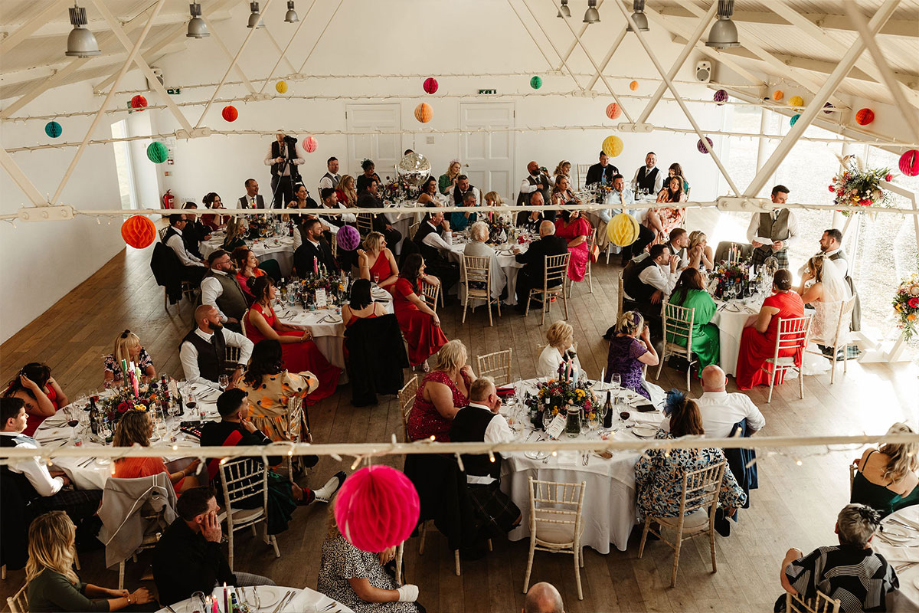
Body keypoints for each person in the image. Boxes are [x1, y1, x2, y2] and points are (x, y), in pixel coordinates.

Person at [200, 389, 345, 525]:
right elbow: (275, 459)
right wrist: (257, 431)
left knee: (278, 480)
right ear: (239, 415)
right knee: (289, 487)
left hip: (219, 492)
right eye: (246, 404)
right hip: (245, 495)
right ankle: (319, 495)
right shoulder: (247, 439)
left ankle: (315, 495)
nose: (249, 405)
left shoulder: (208, 429)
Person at [152, 486, 276, 606]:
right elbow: (204, 588)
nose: (218, 508)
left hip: (209, 577)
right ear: (199, 518)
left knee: (268, 584)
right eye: (213, 508)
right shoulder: (174, 549)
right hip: (189, 600)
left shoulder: (200, 527)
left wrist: (235, 591)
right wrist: (214, 543)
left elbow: (221, 569)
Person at [635, 397, 746, 521]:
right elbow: (729, 480)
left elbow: (640, 474)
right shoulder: (712, 450)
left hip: (659, 507)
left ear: (673, 420)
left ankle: (648, 525)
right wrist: (735, 503)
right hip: (693, 505)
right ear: (698, 420)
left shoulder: (661, 445)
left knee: (641, 486)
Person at [1, 398, 104, 529]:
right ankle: (90, 536)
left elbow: (15, 475)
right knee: (101, 496)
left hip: (8, 508)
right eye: (23, 414)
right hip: (34, 508)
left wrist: (49, 474)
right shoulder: (23, 449)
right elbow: (48, 490)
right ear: (10, 421)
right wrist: (61, 480)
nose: (27, 416)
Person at [775, 504, 898, 612]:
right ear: (871, 538)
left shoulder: (825, 556)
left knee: (783, 601)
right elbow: (892, 596)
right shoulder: (882, 565)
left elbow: (789, 585)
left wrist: (792, 555)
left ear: (836, 528)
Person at [26, 511, 157, 612]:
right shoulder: (50, 580)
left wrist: (109, 592)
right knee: (146, 607)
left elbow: (78, 587)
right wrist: (132, 598)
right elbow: (90, 610)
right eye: (69, 527)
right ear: (59, 542)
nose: (75, 527)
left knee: (147, 604)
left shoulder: (51, 563)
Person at [244, 278, 340, 402]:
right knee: (305, 347)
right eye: (272, 286)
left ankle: (321, 375)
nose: (275, 289)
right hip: (266, 348)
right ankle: (305, 385)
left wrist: (300, 331)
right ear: (264, 290)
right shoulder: (255, 314)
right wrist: (300, 339)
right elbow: (276, 338)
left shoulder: (266, 303)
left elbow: (279, 326)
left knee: (308, 340)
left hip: (273, 339)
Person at [318, 500, 422, 613]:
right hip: (350, 601)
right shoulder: (346, 547)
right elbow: (365, 593)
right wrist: (402, 594)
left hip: (371, 579)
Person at [450, 377, 522, 536]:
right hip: (480, 485)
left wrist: (493, 414)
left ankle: (470, 522)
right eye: (495, 394)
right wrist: (497, 418)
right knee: (516, 518)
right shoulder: (495, 422)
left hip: (456, 479)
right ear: (491, 398)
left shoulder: (460, 413)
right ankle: (473, 532)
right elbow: (509, 453)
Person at [237, 339, 322, 440]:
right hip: (277, 434)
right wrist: (293, 375)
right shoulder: (284, 381)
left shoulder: (243, 378)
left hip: (249, 433)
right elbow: (313, 381)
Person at [735, 269, 805, 390]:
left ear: (774, 283)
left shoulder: (771, 301)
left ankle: (748, 377)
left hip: (776, 348)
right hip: (794, 347)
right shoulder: (798, 298)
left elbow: (761, 329)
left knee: (748, 333)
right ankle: (769, 377)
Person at [112, 410, 200, 493]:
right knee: (193, 481)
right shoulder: (149, 457)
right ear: (141, 430)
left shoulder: (119, 451)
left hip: (129, 497)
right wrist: (188, 470)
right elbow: (167, 481)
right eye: (150, 424)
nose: (153, 426)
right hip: (149, 501)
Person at [406, 340, 474, 442]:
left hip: (456, 422)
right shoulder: (437, 382)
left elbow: (479, 393)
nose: (467, 359)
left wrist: (473, 379)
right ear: (456, 362)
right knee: (475, 437)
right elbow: (448, 413)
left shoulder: (461, 372)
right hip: (430, 431)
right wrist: (475, 413)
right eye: (464, 357)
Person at [391, 254, 448, 369]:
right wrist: (434, 313)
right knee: (428, 319)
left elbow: (437, 282)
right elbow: (417, 302)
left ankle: (425, 357)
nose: (425, 266)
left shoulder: (417, 276)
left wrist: (423, 276)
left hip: (414, 308)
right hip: (404, 312)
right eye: (422, 265)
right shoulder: (403, 282)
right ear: (414, 267)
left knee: (426, 323)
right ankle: (443, 347)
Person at [851, 422, 919, 517]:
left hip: (852, 512)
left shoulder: (869, 453)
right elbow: (903, 497)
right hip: (879, 523)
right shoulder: (911, 479)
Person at [179, 305, 253, 387]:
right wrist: (221, 387)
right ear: (206, 321)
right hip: (204, 391)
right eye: (216, 316)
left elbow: (247, 343)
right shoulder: (188, 346)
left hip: (225, 382)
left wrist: (240, 366)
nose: (220, 318)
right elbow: (193, 380)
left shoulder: (220, 331)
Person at [667, 268, 720, 371]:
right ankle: (707, 369)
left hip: (671, 334)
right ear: (698, 280)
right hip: (688, 338)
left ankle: (698, 360)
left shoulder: (677, 291)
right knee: (714, 331)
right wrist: (704, 288)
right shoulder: (701, 295)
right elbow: (709, 315)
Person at [692, 365, 766, 438]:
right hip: (731, 447)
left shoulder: (691, 407)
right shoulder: (741, 400)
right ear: (726, 381)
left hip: (700, 448)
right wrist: (745, 434)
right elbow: (759, 423)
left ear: (701, 382)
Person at [622, 244, 679, 336]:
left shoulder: (652, 261)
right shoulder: (651, 269)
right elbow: (669, 290)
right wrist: (673, 269)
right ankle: (654, 337)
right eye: (668, 255)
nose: (670, 257)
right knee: (666, 311)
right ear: (659, 258)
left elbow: (665, 279)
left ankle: (655, 335)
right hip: (633, 303)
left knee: (665, 306)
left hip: (640, 296)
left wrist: (659, 290)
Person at [598, 174, 655, 263]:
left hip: (630, 220)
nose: (621, 186)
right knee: (629, 232)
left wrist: (631, 220)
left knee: (650, 235)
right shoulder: (610, 197)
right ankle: (626, 259)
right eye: (617, 183)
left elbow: (633, 209)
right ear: (613, 184)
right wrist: (613, 222)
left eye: (622, 183)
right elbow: (602, 213)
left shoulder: (629, 193)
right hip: (618, 223)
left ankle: (634, 249)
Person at [797, 254, 851, 345]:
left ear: (815, 270)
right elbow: (808, 292)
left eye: (810, 269)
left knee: (790, 322)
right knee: (806, 314)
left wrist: (802, 281)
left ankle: (793, 350)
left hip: (824, 329)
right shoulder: (837, 284)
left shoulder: (818, 287)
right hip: (838, 328)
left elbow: (797, 302)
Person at [513, 220, 568, 309]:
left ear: (541, 231)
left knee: (521, 273)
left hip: (540, 281)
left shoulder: (536, 245)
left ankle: (523, 306)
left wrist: (517, 253)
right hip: (556, 279)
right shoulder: (563, 242)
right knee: (533, 269)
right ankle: (537, 300)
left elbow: (522, 260)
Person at [605, 310, 659, 399]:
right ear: (636, 329)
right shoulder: (633, 345)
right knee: (658, 396)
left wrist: (639, 343)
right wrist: (647, 340)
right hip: (628, 389)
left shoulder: (615, 336)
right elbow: (655, 361)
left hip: (610, 381)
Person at [3, 363, 67, 437]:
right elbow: (50, 411)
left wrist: (65, 416)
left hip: (58, 421)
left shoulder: (46, 379)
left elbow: (62, 398)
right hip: (39, 431)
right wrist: (35, 388)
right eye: (44, 380)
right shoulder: (19, 395)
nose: (47, 381)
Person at [817, 228, 860, 331]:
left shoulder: (840, 262)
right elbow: (800, 271)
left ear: (832, 241)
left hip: (829, 306)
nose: (820, 241)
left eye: (823, 239)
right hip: (820, 297)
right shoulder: (821, 254)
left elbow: (829, 286)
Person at [747, 185, 798, 269]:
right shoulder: (759, 213)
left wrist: (784, 243)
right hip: (760, 254)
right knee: (754, 281)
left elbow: (796, 236)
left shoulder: (790, 215)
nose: (784, 203)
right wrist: (753, 241)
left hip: (780, 256)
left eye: (785, 199)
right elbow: (750, 233)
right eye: (781, 199)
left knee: (782, 281)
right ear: (772, 197)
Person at [413, 210, 460, 294]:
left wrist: (445, 231)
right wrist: (447, 230)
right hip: (428, 265)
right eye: (441, 216)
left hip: (424, 259)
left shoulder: (426, 225)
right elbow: (448, 247)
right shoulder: (431, 234)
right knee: (456, 271)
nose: (443, 219)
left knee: (450, 262)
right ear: (434, 218)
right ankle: (441, 293)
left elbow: (440, 241)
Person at [201, 249, 248, 333]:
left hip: (243, 319)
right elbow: (208, 304)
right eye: (228, 261)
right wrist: (226, 319)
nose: (231, 263)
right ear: (218, 266)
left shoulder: (224, 272)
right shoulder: (211, 281)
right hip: (233, 328)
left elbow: (230, 274)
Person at [356, 178, 403, 247]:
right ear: (368, 188)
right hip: (373, 228)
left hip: (366, 226)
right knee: (397, 235)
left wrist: (379, 199)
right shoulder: (369, 199)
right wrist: (384, 226)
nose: (376, 187)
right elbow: (377, 213)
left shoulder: (362, 195)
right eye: (374, 186)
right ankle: (383, 250)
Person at [463, 221, 503, 301]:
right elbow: (496, 272)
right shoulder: (489, 251)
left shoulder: (467, 246)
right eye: (486, 231)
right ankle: (496, 302)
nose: (488, 232)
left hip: (469, 281)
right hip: (483, 284)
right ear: (481, 237)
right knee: (504, 278)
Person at [163, 214, 207, 286]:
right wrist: (202, 265)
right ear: (178, 222)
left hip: (179, 265)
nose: (186, 223)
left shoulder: (174, 231)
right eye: (185, 220)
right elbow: (185, 262)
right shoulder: (176, 238)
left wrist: (199, 260)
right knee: (208, 272)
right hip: (178, 270)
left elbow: (186, 251)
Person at [265, 130, 305, 209]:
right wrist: (275, 160)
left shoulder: (292, 145)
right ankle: (277, 219)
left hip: (289, 177)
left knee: (289, 200)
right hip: (277, 177)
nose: (282, 143)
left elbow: (302, 160)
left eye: (283, 141)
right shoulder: (273, 146)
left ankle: (287, 219)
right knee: (277, 201)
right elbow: (266, 161)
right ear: (276, 139)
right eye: (280, 141)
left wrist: (291, 161)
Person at [646, 175, 687, 244]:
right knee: (651, 216)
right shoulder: (664, 191)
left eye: (677, 184)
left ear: (680, 186)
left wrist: (663, 217)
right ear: (670, 183)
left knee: (653, 226)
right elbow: (657, 205)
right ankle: (662, 234)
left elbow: (678, 212)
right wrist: (659, 215)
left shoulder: (681, 196)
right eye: (673, 183)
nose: (675, 185)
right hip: (659, 216)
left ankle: (652, 249)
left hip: (672, 219)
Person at [554, 208, 591, 283]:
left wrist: (566, 246)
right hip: (562, 245)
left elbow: (582, 238)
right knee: (551, 251)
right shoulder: (560, 221)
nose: (577, 211)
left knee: (563, 253)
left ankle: (558, 280)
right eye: (574, 209)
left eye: (578, 209)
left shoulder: (580, 221)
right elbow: (553, 232)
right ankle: (554, 277)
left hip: (578, 247)